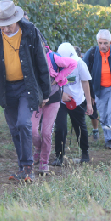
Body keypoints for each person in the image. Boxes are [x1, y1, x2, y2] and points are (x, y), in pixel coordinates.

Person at [0, 0, 50, 182]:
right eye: (0, 25)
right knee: (15, 127)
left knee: (24, 123)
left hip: (27, 86)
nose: (3, 29)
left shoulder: (30, 32)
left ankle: (28, 168)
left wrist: (45, 93)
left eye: (6, 25)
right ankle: (22, 167)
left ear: (15, 20)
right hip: (5, 88)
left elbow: (41, 62)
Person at [32, 44, 77, 174]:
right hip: (36, 98)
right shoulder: (29, 57)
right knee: (33, 131)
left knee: (46, 132)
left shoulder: (53, 58)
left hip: (53, 98)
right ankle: (38, 147)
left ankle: (44, 161)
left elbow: (73, 63)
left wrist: (58, 78)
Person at [51, 42, 93, 166]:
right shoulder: (54, 64)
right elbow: (52, 82)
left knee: (80, 127)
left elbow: (85, 83)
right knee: (60, 127)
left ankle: (85, 154)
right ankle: (59, 156)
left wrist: (89, 103)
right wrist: (61, 94)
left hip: (77, 101)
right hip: (60, 101)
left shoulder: (80, 64)